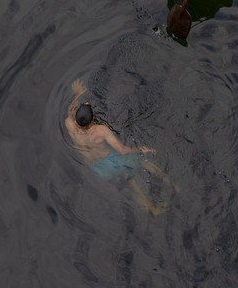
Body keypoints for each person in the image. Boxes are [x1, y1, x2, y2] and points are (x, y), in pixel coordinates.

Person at [65, 79, 175, 215]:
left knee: (130, 179)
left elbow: (70, 109)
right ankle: (172, 185)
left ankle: (150, 207)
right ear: (92, 119)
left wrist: (78, 94)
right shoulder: (100, 130)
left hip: (97, 169)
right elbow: (122, 150)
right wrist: (142, 150)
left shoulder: (69, 124)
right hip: (110, 161)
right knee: (142, 160)